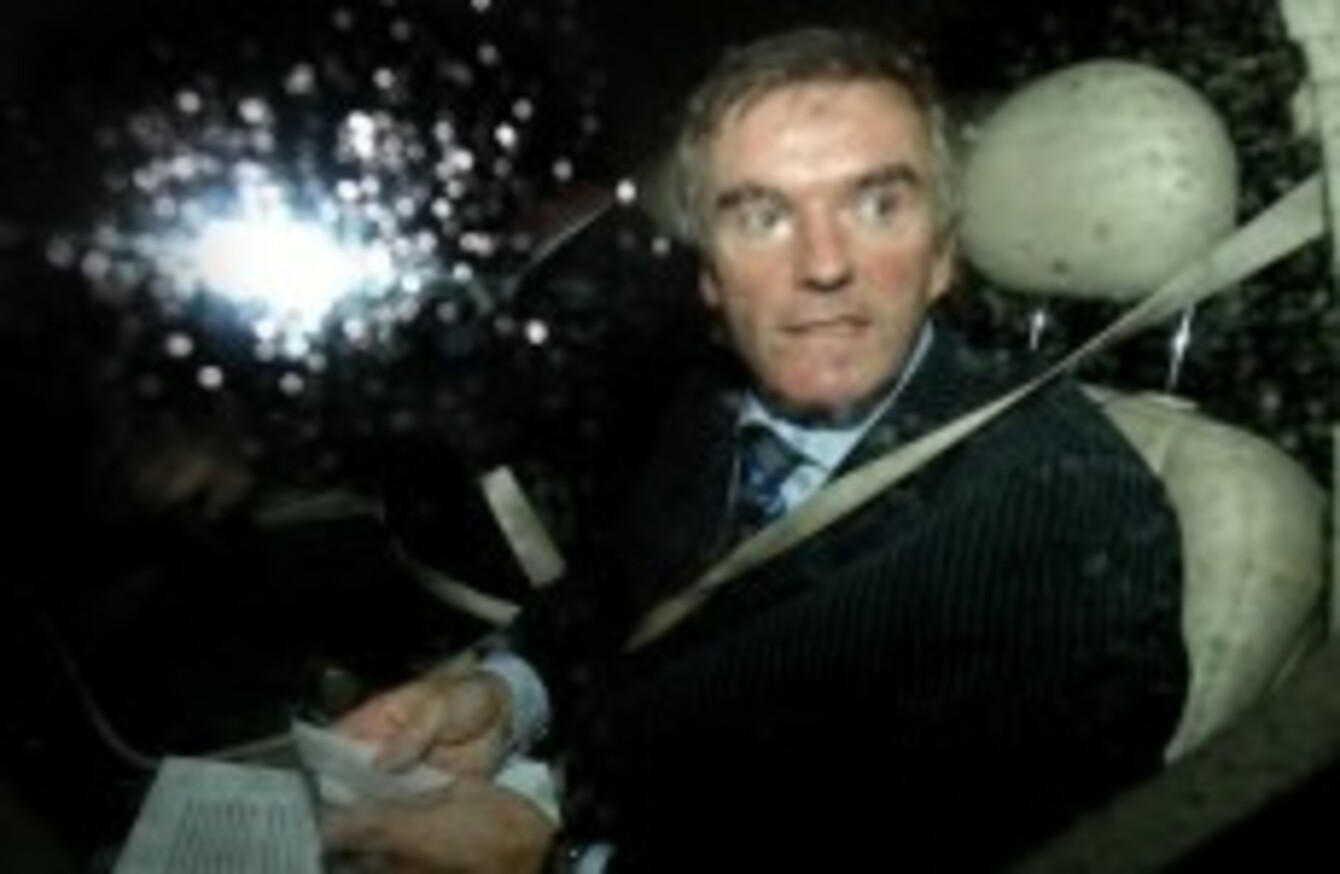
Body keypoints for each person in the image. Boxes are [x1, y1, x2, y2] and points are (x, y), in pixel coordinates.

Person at [321, 25, 1188, 872]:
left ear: (941, 255)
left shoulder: (1067, 513)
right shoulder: (720, 403)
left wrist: (560, 862)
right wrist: (503, 695)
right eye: (762, 215)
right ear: (708, 274)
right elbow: (620, 592)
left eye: (877, 205)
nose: (823, 264)